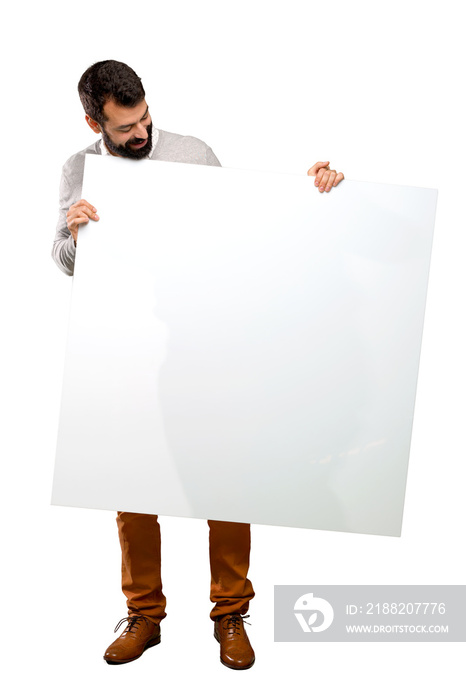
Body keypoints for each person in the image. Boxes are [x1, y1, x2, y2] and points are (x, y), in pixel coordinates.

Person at [52, 59, 344, 670]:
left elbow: (245, 230)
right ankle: (144, 615)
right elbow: (64, 259)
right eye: (126, 128)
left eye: (145, 119)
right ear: (92, 121)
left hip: (207, 342)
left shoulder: (193, 152)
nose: (141, 135)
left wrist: (314, 192)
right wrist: (76, 234)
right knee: (130, 484)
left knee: (224, 477)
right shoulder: (79, 168)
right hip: (126, 348)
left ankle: (231, 614)